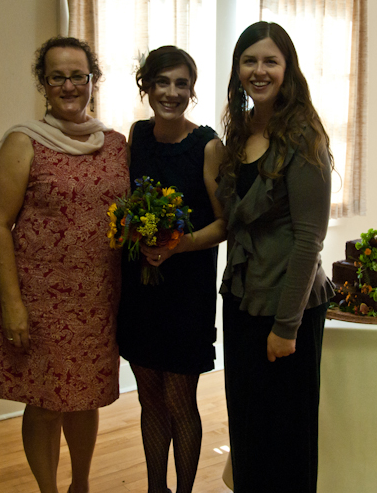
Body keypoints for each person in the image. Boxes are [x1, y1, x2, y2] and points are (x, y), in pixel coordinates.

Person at [0, 37, 129, 493]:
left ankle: (80, 485)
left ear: (93, 80)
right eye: (57, 77)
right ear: (43, 83)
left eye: (77, 76)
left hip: (98, 301)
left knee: (86, 400)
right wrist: (12, 303)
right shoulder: (23, 142)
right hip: (40, 301)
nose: (69, 86)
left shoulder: (115, 145)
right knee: (45, 403)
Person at [218, 21, 335, 493]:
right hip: (242, 299)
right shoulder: (241, 129)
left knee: (286, 442)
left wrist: (286, 328)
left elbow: (309, 240)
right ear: (237, 69)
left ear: (288, 69)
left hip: (288, 307)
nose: (259, 70)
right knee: (248, 431)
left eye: (271, 61)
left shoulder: (304, 136)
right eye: (249, 61)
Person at [117, 45, 227, 493]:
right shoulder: (138, 135)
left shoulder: (208, 146)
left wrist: (179, 245)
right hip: (141, 293)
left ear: (192, 90)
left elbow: (225, 223)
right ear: (146, 86)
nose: (171, 92)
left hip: (186, 295)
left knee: (180, 401)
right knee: (149, 400)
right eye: (162, 82)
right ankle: (155, 489)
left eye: (182, 84)